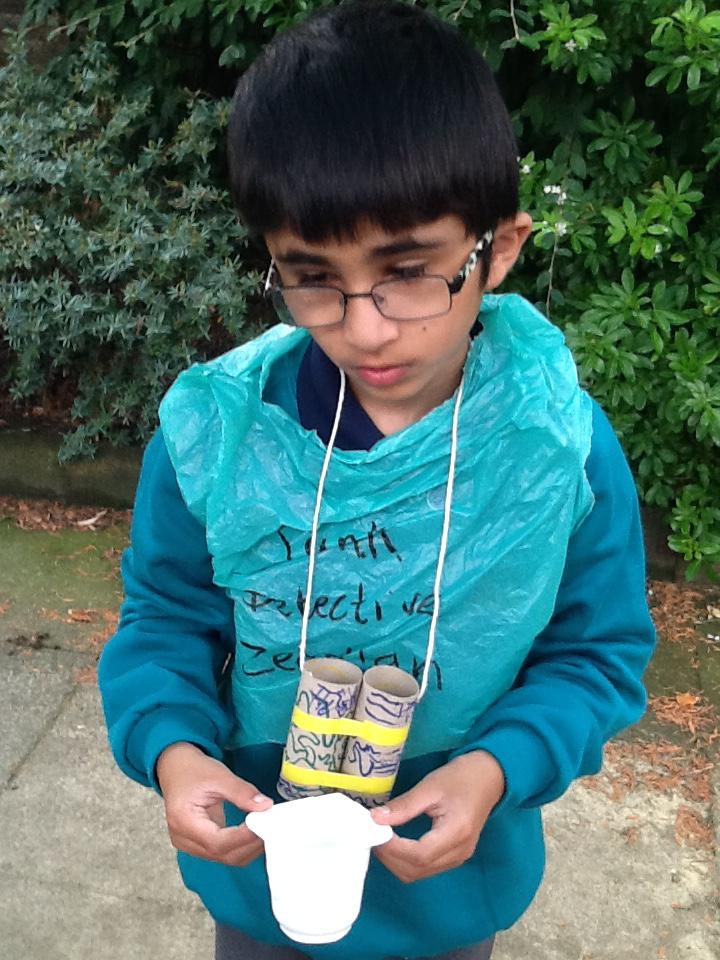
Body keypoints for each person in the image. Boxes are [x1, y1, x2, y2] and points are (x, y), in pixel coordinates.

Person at [98, 2, 656, 959]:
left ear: (497, 250)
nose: (364, 328)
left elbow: (595, 653)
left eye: (408, 270)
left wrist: (497, 767)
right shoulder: (221, 438)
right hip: (262, 877)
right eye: (312, 276)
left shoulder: (557, 450)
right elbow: (164, 621)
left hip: (446, 890)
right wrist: (172, 747)